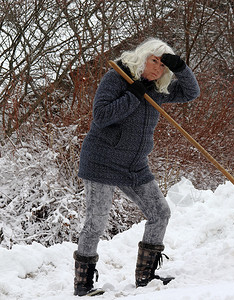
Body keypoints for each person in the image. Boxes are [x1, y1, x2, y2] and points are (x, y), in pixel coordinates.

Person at [73, 38, 200, 296]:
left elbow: (191, 92)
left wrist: (181, 68)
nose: (157, 69)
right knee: (96, 221)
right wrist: (133, 94)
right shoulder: (116, 78)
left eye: (163, 66)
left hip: (134, 166)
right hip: (102, 162)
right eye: (154, 61)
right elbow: (102, 116)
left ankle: (146, 277)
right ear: (142, 57)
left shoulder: (158, 89)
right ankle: (83, 286)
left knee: (160, 213)